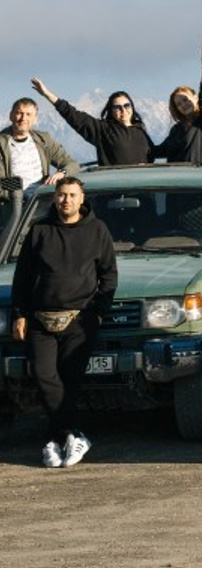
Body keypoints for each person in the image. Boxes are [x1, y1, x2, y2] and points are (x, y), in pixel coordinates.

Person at [11, 175, 117, 468]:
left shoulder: (97, 230)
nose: (65, 200)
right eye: (61, 195)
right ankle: (73, 434)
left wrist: (98, 312)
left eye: (71, 195)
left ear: (82, 199)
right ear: (54, 198)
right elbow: (22, 277)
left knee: (70, 380)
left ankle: (52, 441)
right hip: (39, 320)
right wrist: (19, 313)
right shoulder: (39, 231)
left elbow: (109, 275)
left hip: (79, 320)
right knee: (45, 376)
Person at [29, 79, 152, 166]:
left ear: (132, 106)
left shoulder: (140, 131)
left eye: (126, 105)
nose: (123, 110)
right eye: (117, 107)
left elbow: (157, 152)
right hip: (115, 194)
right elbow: (73, 115)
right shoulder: (103, 130)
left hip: (143, 193)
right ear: (110, 110)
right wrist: (47, 94)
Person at [153, 41, 202, 164]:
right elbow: (158, 151)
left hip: (198, 181)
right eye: (178, 104)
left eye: (185, 99)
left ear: (195, 97)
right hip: (174, 181)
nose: (183, 105)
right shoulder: (176, 130)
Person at [0, 98, 81, 190]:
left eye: (28, 114)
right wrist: (17, 193)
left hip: (41, 199)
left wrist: (61, 173)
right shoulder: (2, 143)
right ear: (11, 116)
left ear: (35, 119)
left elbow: (72, 163)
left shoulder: (44, 140)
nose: (23, 118)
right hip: (11, 201)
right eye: (19, 113)